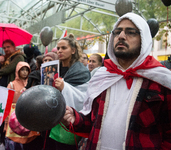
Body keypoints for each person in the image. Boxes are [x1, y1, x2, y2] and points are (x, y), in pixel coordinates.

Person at [62, 12, 171, 150]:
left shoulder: (161, 80)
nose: (121, 36)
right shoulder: (101, 77)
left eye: (130, 32)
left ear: (144, 39)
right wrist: (74, 118)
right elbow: (92, 123)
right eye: (117, 32)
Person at [44, 34, 91, 150]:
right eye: (58, 48)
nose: (59, 51)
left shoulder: (81, 72)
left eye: (64, 48)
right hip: (51, 120)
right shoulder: (53, 69)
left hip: (69, 122)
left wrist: (65, 87)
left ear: (73, 50)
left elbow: (84, 97)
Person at [0, 39, 26, 149]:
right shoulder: (5, 59)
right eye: (4, 47)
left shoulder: (19, 57)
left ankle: (8, 144)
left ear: (14, 47)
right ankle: (2, 142)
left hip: (12, 93)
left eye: (8, 47)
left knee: (9, 120)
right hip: (1, 91)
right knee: (0, 117)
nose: (6, 49)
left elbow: (6, 70)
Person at [5, 61, 43, 150]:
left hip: (28, 114)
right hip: (14, 116)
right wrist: (6, 122)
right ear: (17, 71)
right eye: (22, 70)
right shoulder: (12, 85)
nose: (25, 72)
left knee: (29, 139)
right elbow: (7, 102)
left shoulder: (31, 83)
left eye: (26, 70)